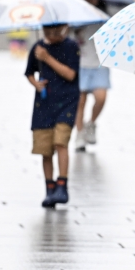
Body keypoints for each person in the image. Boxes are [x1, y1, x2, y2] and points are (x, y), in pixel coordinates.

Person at [25, 24, 80, 207]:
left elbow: (71, 74)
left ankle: (62, 184)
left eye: (56, 31)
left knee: (60, 142)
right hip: (44, 104)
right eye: (48, 32)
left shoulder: (71, 47)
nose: (52, 35)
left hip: (67, 102)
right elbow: (29, 72)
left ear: (64, 28)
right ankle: (49, 188)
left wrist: (47, 58)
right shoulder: (38, 47)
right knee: (45, 149)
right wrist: (36, 84)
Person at [74, 22, 109, 151]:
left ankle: (91, 124)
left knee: (101, 98)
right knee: (80, 102)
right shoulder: (76, 18)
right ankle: (80, 134)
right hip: (79, 64)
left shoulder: (103, 17)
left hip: (99, 63)